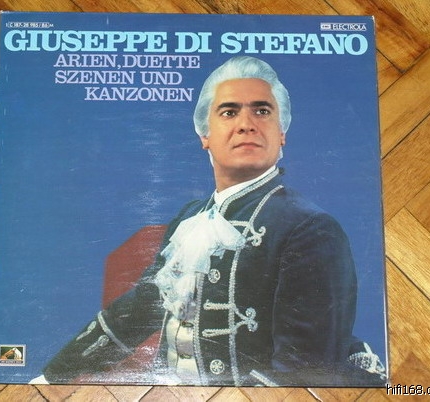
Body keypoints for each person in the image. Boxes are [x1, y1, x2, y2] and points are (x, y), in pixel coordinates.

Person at [38, 56, 386, 386]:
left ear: (282, 132)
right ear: (205, 135)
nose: (246, 124)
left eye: (262, 111)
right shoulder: (189, 217)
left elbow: (301, 369)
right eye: (229, 112)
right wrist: (52, 375)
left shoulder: (310, 229)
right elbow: (141, 309)